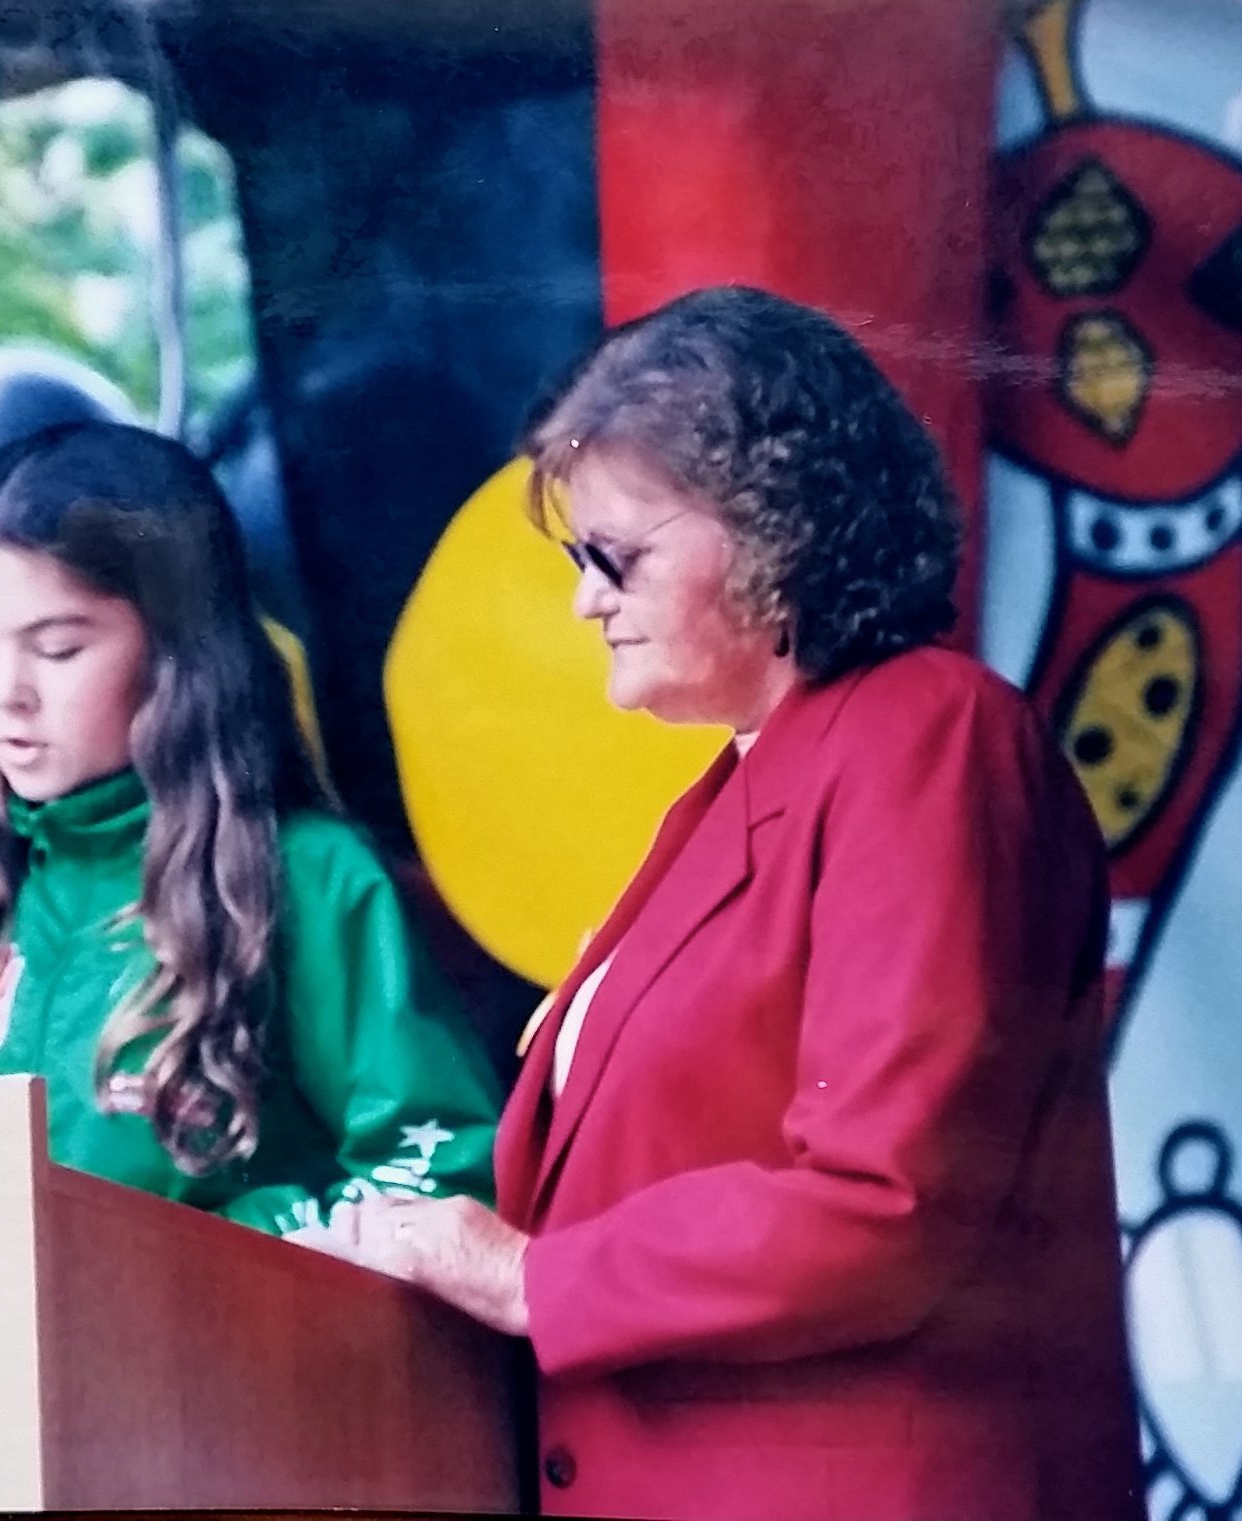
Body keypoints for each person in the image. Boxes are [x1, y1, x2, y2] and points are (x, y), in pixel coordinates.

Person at [323, 287, 1145, 1521]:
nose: (584, 600)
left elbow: (885, 1197)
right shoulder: (741, 786)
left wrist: (528, 1280)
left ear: (777, 531)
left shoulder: (928, 733)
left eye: (618, 555)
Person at [0, 421, 501, 1237]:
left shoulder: (310, 879)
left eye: (58, 649)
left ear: (179, 653)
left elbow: (437, 1171)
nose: (8, 694)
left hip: (229, 1355)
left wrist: (224, 1248)